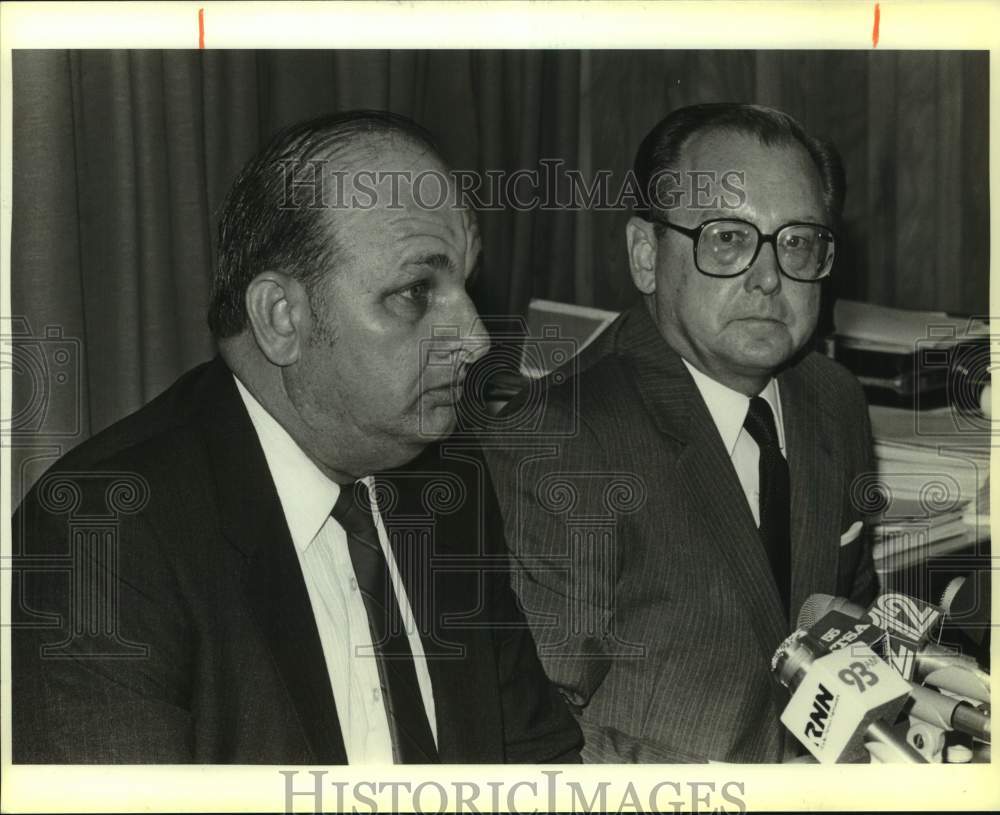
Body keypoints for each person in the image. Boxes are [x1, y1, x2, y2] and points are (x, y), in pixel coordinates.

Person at [11, 110, 582, 764]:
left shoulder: (446, 479)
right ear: (282, 317)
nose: (477, 339)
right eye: (415, 292)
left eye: (464, 283)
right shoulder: (101, 538)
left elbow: (541, 763)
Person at [484, 103, 877, 763]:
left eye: (799, 240)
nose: (769, 275)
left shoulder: (829, 398)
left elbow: (848, 617)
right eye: (728, 237)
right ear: (646, 255)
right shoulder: (558, 443)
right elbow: (535, 740)